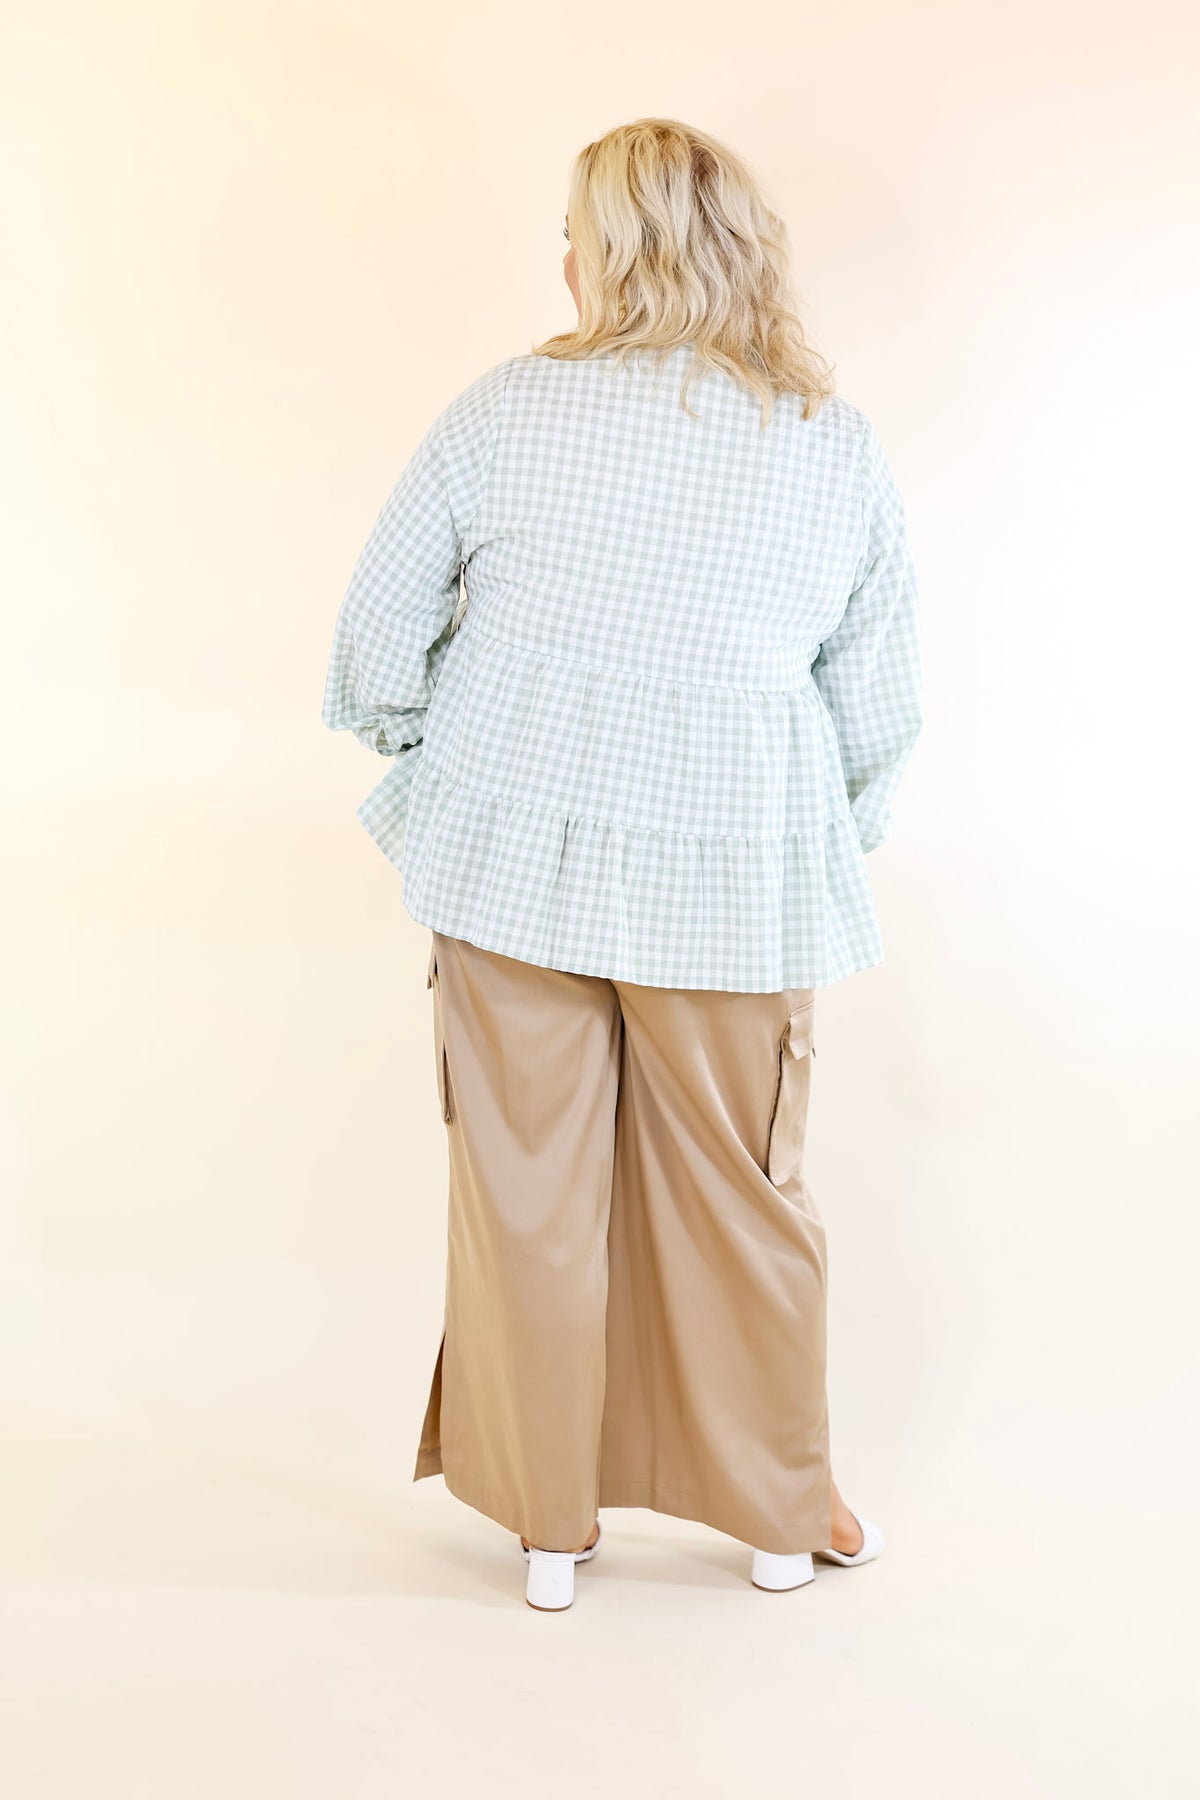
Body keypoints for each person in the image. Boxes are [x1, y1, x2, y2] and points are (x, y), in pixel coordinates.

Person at [321, 117, 924, 1612]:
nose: (564, 262)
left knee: (524, 1187)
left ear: (611, 256)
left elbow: (377, 639)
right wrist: (816, 831)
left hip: (508, 856)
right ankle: (780, 1516)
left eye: (575, 236)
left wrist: (445, 751)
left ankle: (549, 1528)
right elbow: (879, 707)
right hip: (732, 872)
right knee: (742, 1192)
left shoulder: (505, 410)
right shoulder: (828, 441)